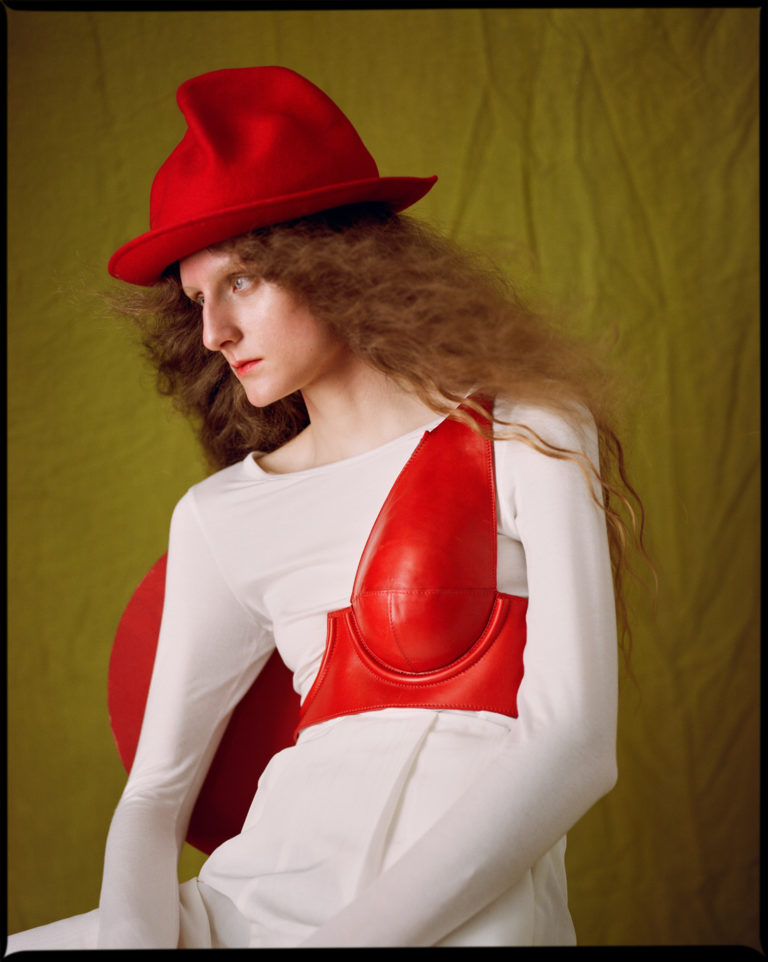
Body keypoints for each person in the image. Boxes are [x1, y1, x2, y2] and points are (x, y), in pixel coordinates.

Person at [6, 65, 646, 950]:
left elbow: (574, 745)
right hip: (248, 906)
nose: (214, 333)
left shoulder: (528, 431)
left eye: (241, 282)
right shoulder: (220, 514)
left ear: (337, 260)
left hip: (458, 920)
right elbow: (154, 793)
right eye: (196, 300)